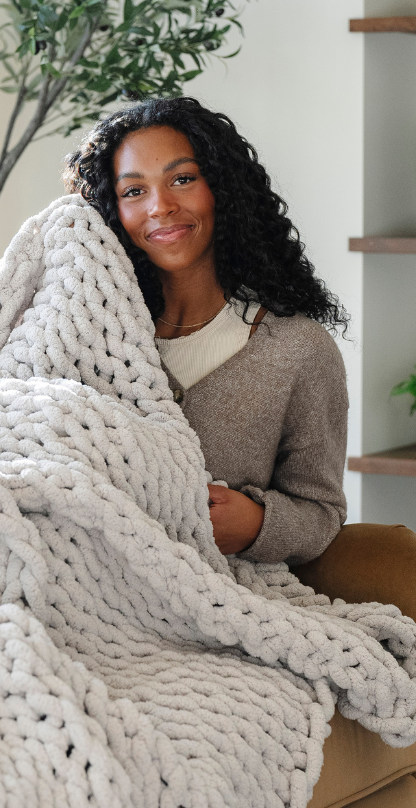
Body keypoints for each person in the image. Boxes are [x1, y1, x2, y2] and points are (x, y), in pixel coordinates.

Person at [63, 97, 350, 566]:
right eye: (134, 191)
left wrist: (258, 524)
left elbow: (321, 512)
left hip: (214, 598)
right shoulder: (87, 335)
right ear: (110, 209)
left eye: (182, 179)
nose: (161, 207)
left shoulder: (299, 350)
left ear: (223, 189)